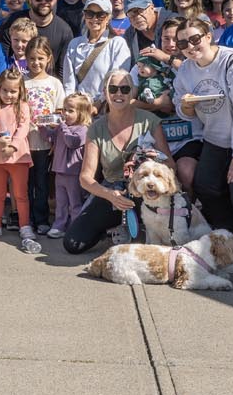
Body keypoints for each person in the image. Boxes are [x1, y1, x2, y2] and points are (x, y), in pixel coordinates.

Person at [173, 16, 233, 258]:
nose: (190, 47)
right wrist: (187, 108)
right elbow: (181, 107)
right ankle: (227, 236)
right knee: (206, 185)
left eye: (194, 39)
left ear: (208, 36)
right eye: (183, 44)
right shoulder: (185, 69)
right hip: (214, 138)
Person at [61, 68, 172, 255]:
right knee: (73, 243)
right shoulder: (96, 128)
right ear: (105, 92)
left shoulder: (150, 121)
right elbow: (85, 178)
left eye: (125, 89)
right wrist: (109, 195)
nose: (118, 94)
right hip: (113, 190)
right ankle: (113, 226)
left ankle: (135, 227)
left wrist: (148, 161)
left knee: (148, 248)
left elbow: (170, 165)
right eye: (113, 89)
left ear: (133, 93)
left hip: (146, 190)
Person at [0, 68, 39, 253]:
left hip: (18, 157)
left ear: (20, 90)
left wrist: (13, 146)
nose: (8, 94)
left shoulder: (22, 106)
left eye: (13, 91)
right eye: (5, 90)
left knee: (20, 194)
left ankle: (24, 225)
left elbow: (24, 127)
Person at [22, 35, 63, 234]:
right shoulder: (22, 82)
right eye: (31, 59)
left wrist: (55, 139)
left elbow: (60, 113)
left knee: (42, 181)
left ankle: (41, 218)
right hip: (23, 142)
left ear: (48, 58)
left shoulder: (54, 83)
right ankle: (25, 217)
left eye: (40, 58)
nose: (36, 63)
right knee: (25, 182)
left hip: (45, 142)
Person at [0, 0, 73, 78]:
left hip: (47, 88)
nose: (44, 2)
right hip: (14, 84)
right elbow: (0, 60)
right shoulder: (10, 23)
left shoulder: (64, 31)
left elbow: (63, 71)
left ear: (55, 0)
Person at [62, 0, 131, 102]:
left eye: (101, 15)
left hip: (107, 108)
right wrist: (72, 105)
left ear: (108, 17)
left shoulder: (118, 44)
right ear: (84, 15)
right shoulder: (74, 44)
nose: (95, 19)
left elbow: (117, 80)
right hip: (79, 109)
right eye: (90, 14)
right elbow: (69, 83)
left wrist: (99, 103)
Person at [44, 91, 92, 239]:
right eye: (64, 109)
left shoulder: (83, 129)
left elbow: (72, 142)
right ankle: (59, 225)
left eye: (70, 110)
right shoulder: (62, 127)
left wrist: (62, 126)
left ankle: (75, 228)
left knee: (75, 203)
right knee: (61, 202)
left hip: (73, 172)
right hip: (59, 170)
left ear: (82, 113)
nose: (65, 113)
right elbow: (49, 137)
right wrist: (42, 126)